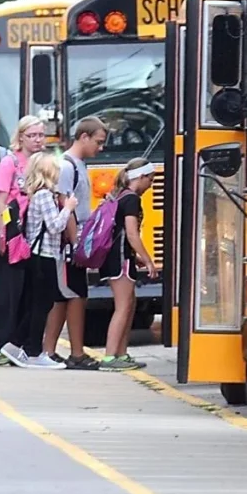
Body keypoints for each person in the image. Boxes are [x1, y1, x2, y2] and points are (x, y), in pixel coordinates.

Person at [43, 117, 107, 370]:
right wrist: (75, 242)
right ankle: (77, 353)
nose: (100, 148)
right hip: (70, 240)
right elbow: (64, 203)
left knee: (63, 297)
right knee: (77, 295)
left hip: (75, 236)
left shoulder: (78, 164)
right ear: (84, 137)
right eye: (98, 142)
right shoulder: (68, 166)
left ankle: (49, 349)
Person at [0, 115, 48, 365]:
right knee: (8, 292)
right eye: (31, 135)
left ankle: (16, 344)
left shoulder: (41, 162)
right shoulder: (10, 162)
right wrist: (2, 232)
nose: (37, 140)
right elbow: (0, 199)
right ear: (20, 137)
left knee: (28, 292)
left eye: (40, 135)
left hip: (33, 235)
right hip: (13, 231)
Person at [5, 153, 75, 369]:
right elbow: (54, 226)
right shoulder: (44, 195)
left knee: (39, 304)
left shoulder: (39, 194)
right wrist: (68, 208)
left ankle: (16, 345)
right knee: (41, 305)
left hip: (40, 256)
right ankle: (32, 351)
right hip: (43, 256)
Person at [99, 157, 158, 371]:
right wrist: (149, 260)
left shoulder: (121, 196)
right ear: (140, 177)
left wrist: (138, 256)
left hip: (121, 257)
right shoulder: (131, 199)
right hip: (120, 259)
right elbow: (131, 234)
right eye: (150, 179)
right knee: (123, 307)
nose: (151, 185)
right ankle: (109, 357)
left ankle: (121, 354)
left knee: (130, 305)